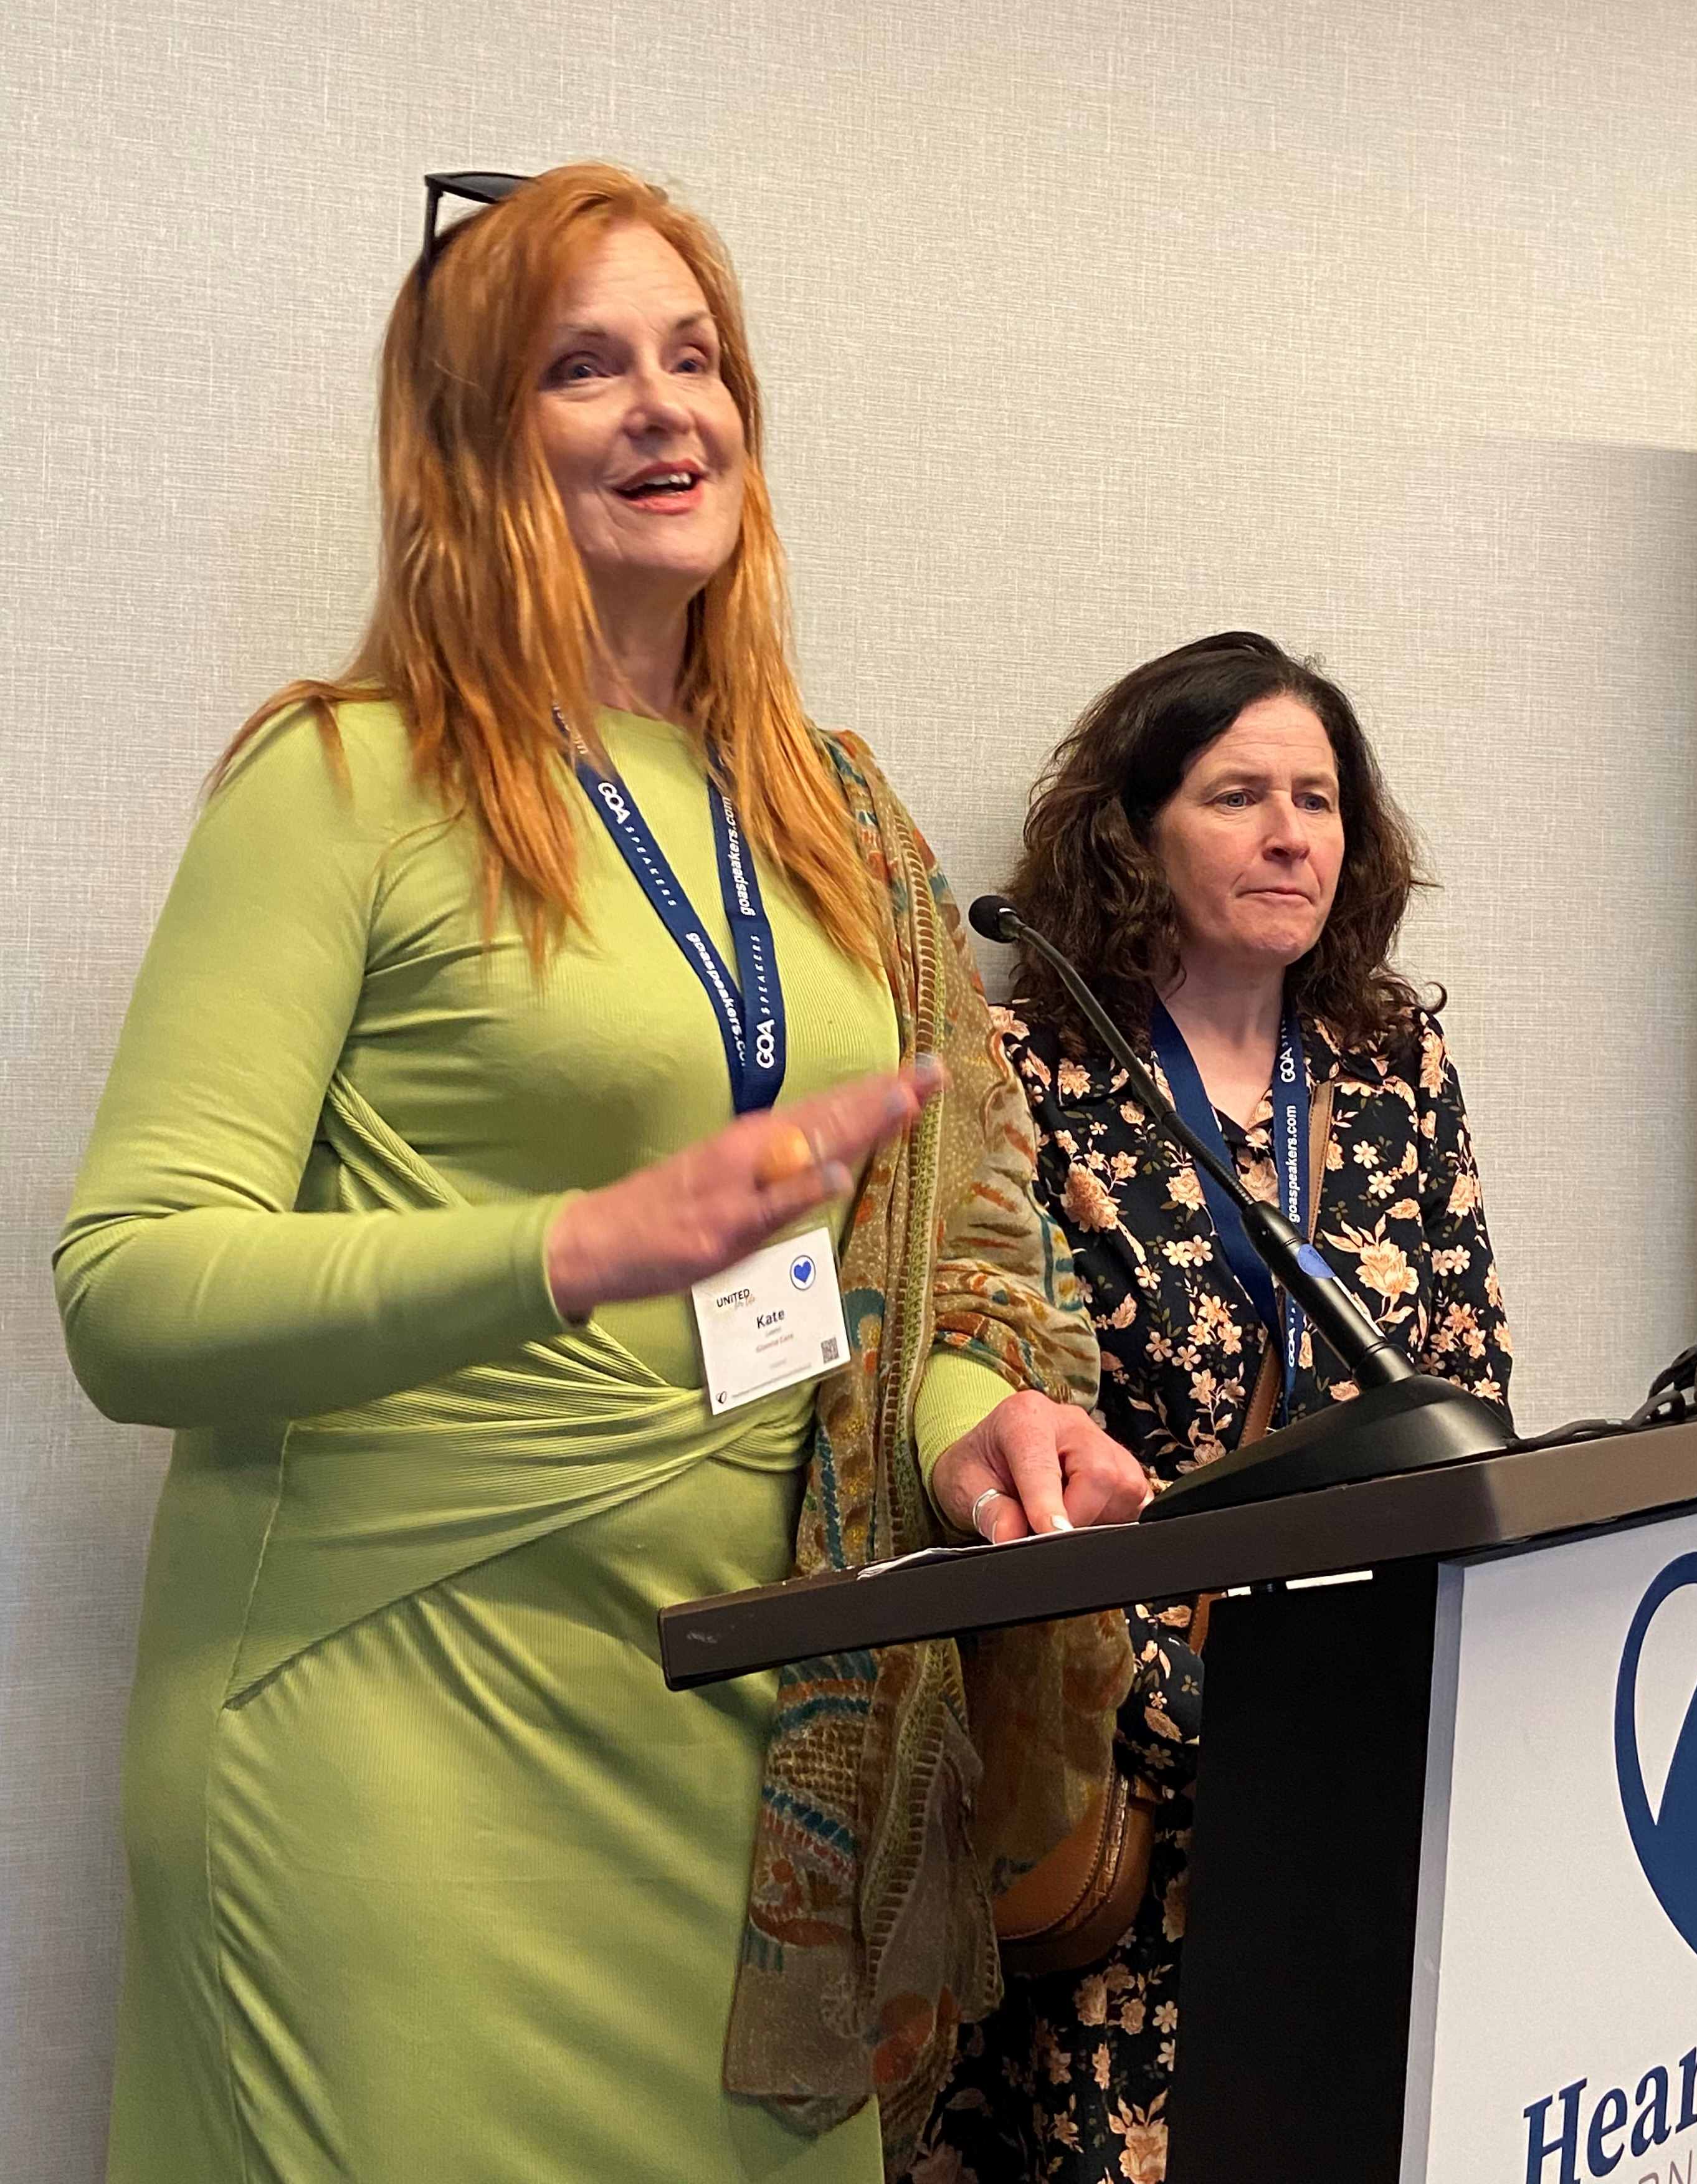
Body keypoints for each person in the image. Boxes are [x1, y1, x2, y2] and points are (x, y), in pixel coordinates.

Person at [55, 162, 1146, 2184]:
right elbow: (127, 1291)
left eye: (694, 355)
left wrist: (974, 1425)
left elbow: (872, 1273)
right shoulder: (341, 777)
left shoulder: (823, 809)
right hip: (398, 1738)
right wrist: (576, 1245)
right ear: (470, 442)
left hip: (755, 1752)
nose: (665, 405)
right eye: (584, 366)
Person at [915, 629, 1513, 2184]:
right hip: (1130, 1744)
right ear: (1135, 832)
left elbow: (1464, 1378)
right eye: (1238, 795)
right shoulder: (1031, 1067)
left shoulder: (1395, 1063)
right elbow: (997, 1396)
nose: (1289, 834)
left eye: (1318, 800)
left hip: (1359, 1738)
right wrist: (1179, 1672)